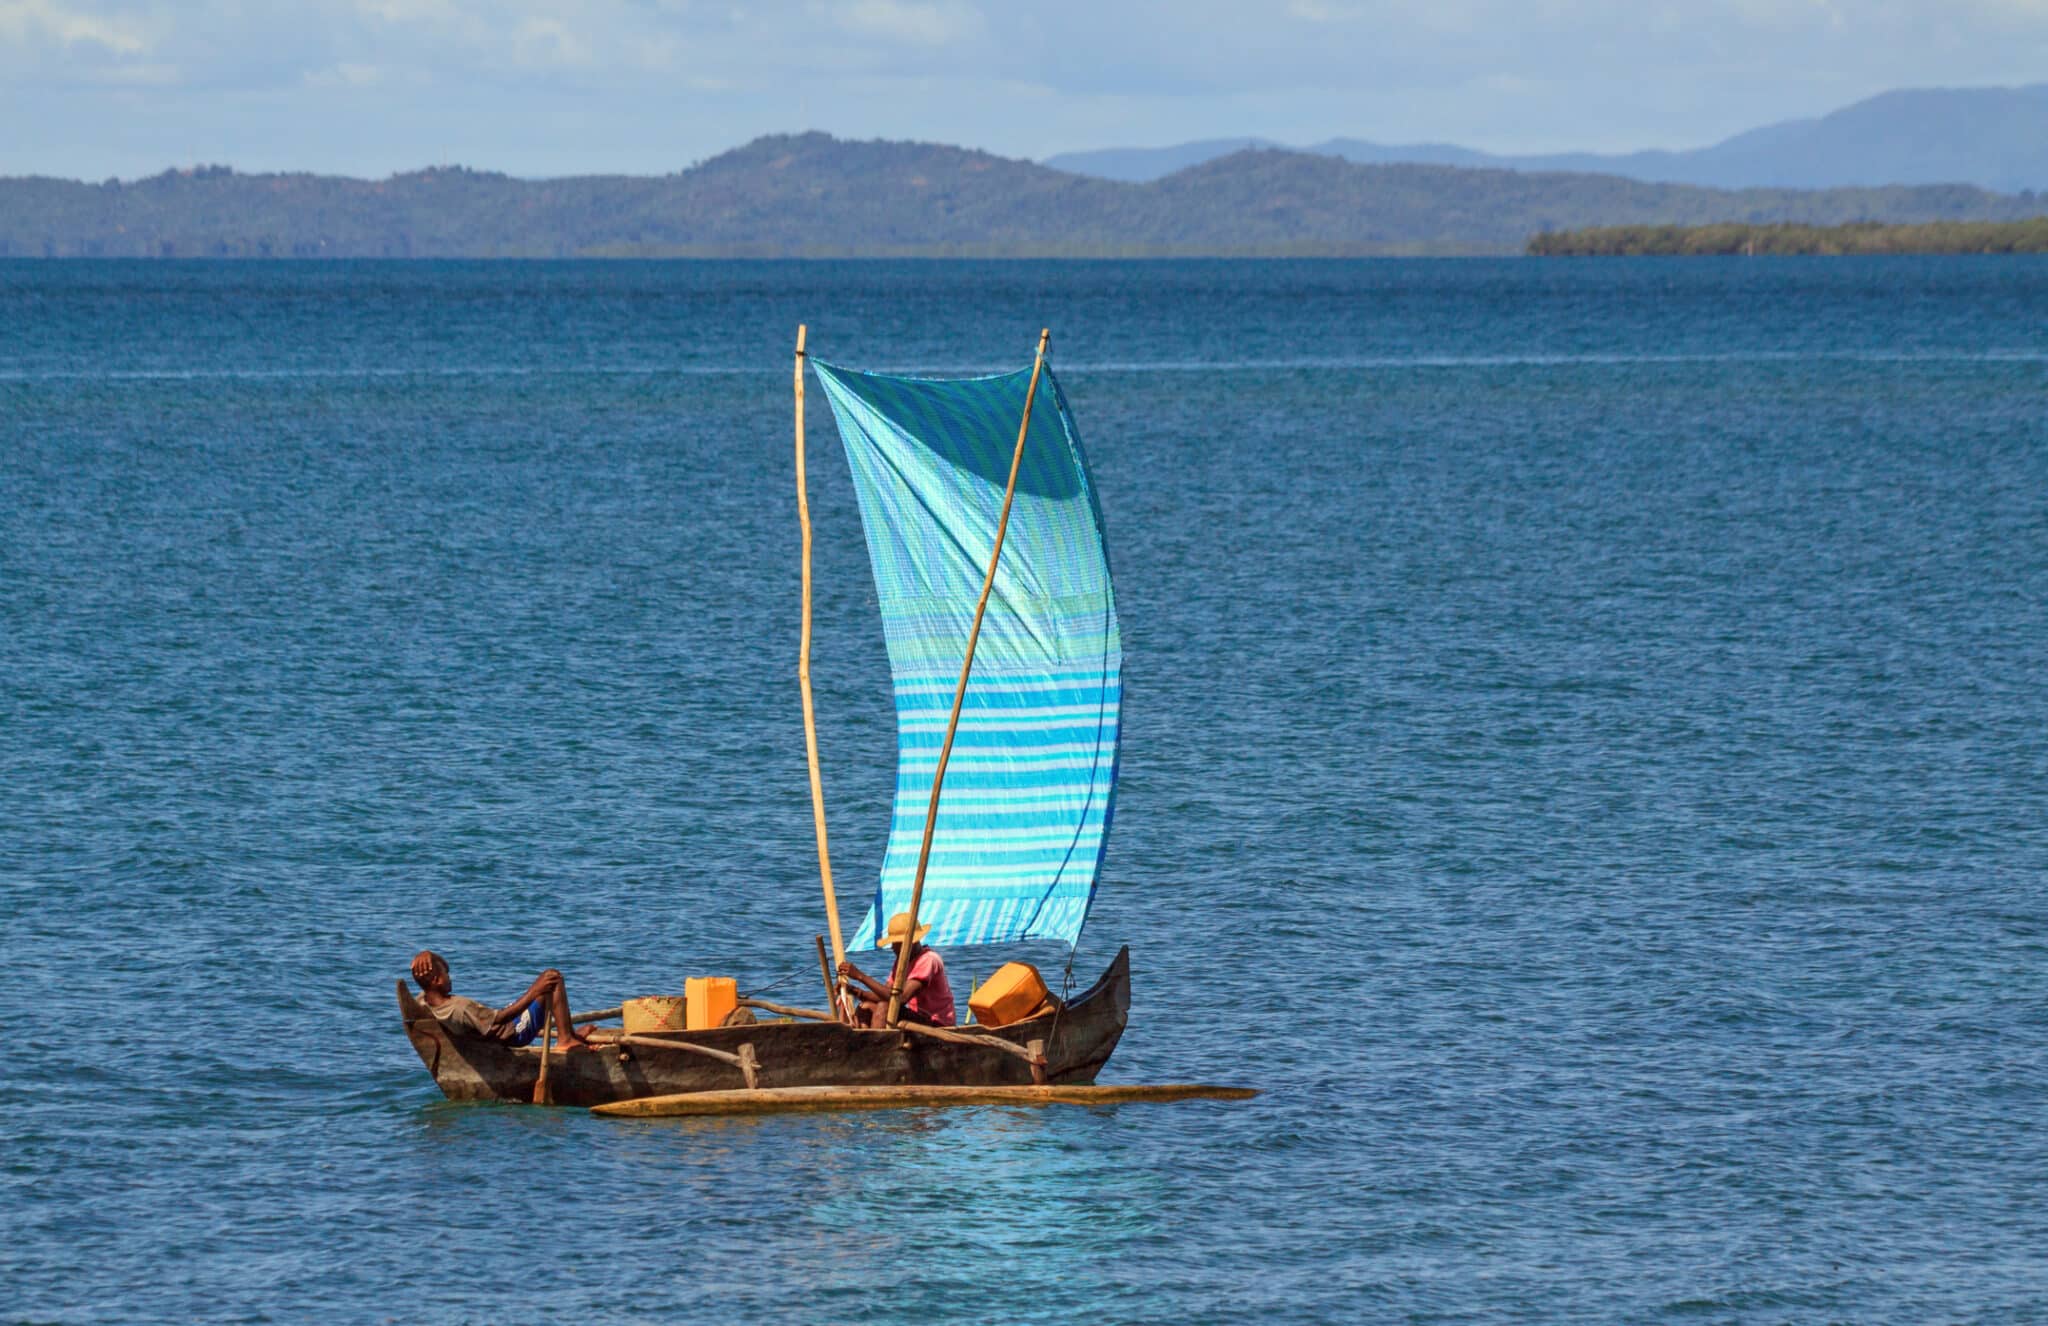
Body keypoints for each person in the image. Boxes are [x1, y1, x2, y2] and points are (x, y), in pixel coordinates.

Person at [409, 950, 596, 1051]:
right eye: (446, 974)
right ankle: (566, 1039)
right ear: (436, 980)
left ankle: (570, 1033)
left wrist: (429, 955)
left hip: (499, 1025)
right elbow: (500, 1019)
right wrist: (534, 991)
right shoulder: (460, 1008)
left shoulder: (424, 1001)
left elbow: (440, 969)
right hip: (514, 1032)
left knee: (541, 987)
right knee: (552, 978)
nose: (450, 977)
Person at [837, 911, 955, 1028]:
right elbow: (885, 994)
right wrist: (854, 991)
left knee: (884, 1007)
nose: (893, 947)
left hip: (937, 1024)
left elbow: (901, 998)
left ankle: (876, 1044)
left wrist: (860, 976)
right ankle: (865, 1041)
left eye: (896, 943)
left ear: (909, 943)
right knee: (866, 1006)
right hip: (918, 1017)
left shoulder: (928, 960)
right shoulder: (901, 962)